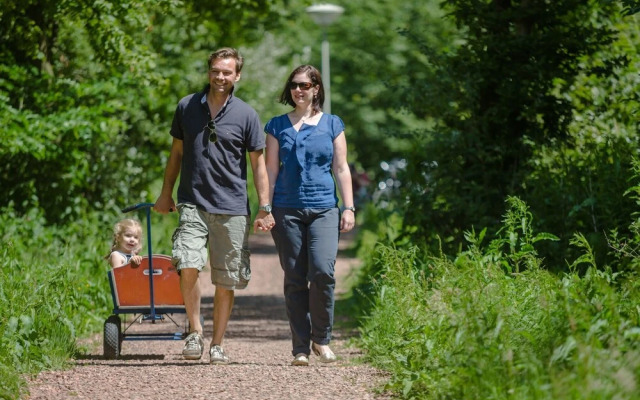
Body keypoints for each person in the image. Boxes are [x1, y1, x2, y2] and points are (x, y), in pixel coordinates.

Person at [153, 47, 274, 364]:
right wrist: (166, 192)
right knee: (187, 261)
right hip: (192, 201)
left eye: (227, 72)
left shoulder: (246, 114)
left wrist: (265, 206)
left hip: (232, 206)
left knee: (226, 279)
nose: (220, 77)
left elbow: (258, 165)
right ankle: (195, 332)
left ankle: (217, 343)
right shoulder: (187, 107)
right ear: (209, 72)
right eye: (215, 71)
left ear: (237, 76)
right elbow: (176, 154)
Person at [264, 65, 355, 366]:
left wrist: (349, 207)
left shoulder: (332, 124)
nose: (298, 90)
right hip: (286, 209)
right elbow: (271, 170)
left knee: (322, 273)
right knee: (294, 278)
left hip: (324, 209)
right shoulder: (276, 126)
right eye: (293, 85)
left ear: (316, 88)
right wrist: (265, 208)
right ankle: (300, 348)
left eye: (304, 85)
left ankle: (322, 339)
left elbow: (342, 168)